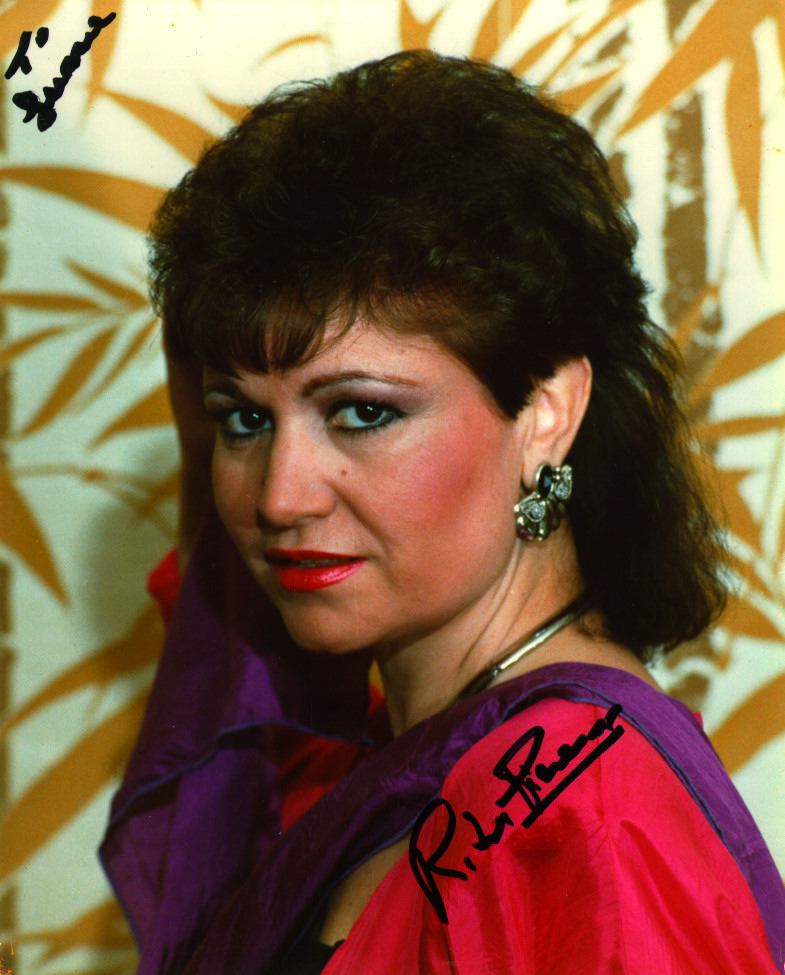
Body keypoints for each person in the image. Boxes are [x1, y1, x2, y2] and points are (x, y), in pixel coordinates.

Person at [99, 51, 785, 974]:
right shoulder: (374, 759)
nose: (279, 495)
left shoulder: (583, 813)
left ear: (544, 412)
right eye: (246, 420)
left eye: (362, 412)